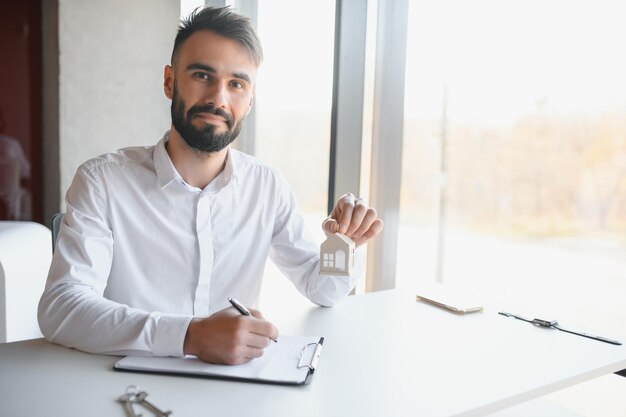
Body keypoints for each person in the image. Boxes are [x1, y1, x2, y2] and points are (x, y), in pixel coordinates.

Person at [38, 7, 383, 365]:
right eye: (203, 75)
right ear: (170, 81)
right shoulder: (102, 181)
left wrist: (344, 243)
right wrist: (190, 336)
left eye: (237, 84)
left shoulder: (267, 186)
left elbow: (321, 289)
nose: (219, 98)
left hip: (231, 390)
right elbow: (62, 308)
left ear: (249, 100)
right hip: (121, 387)